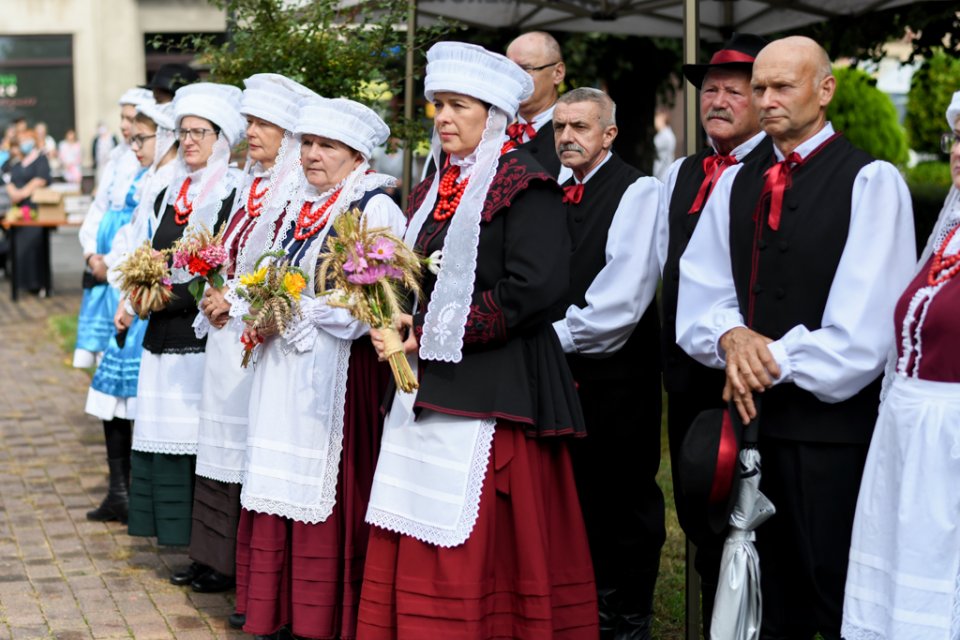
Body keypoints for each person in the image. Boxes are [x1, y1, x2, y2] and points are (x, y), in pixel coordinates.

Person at [675, 36, 916, 639]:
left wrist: (766, 358)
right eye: (760, 87)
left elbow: (864, 331)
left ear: (824, 90)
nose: (767, 98)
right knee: (759, 595)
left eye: (782, 86)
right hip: (749, 429)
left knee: (831, 592)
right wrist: (730, 336)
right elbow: (700, 292)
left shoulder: (871, 181)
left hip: (832, 438)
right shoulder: (735, 182)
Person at [358, 41, 598, 640]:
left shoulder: (525, 183)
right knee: (413, 509)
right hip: (424, 382)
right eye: (437, 104)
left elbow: (537, 287)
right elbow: (409, 273)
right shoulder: (429, 190)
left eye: (457, 105)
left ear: (491, 115)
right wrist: (388, 310)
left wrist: (438, 328)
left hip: (496, 381)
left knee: (476, 529)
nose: (442, 117)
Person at [234, 94, 402, 640]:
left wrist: (296, 308)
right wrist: (262, 302)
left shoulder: (374, 207)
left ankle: (322, 616)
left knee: (324, 491)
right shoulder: (298, 204)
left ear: (356, 156)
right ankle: (278, 609)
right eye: (306, 143)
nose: (310, 155)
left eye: (326, 145)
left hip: (339, 374)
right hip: (284, 370)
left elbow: (375, 302)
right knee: (277, 483)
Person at [181, 73, 313, 612]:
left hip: (256, 332)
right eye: (250, 121)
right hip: (225, 329)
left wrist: (230, 298)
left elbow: (275, 265)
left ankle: (241, 567)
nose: (251, 132)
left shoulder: (291, 186)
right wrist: (209, 287)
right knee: (219, 449)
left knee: (246, 453)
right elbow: (228, 249)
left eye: (264, 124)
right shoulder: (248, 180)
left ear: (289, 133)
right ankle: (214, 556)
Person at [658, 32, 771, 636]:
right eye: (710, 90)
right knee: (700, 507)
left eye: (735, 90)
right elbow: (664, 266)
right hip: (688, 375)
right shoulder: (680, 172)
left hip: (751, 376)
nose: (718, 100)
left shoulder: (775, 169)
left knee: (748, 514)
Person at [842, 91, 960, 640]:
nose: (959, 151)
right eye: (957, 137)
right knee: (900, 575)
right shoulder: (947, 236)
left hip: (950, 440)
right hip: (908, 435)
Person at [550, 86, 664, 640]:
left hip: (618, 378)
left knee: (623, 498)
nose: (567, 137)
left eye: (580, 127)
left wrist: (543, 339)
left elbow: (618, 307)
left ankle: (627, 618)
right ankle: (579, 608)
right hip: (561, 375)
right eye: (559, 128)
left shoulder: (638, 191)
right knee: (572, 495)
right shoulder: (553, 191)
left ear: (609, 134)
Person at [127, 83, 245, 573]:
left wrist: (161, 296)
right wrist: (137, 289)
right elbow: (149, 253)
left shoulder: (231, 191)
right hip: (161, 336)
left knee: (202, 447)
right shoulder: (167, 190)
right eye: (184, 131)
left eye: (200, 132)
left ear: (222, 138)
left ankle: (212, 556)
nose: (190, 140)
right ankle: (189, 547)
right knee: (167, 441)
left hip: (200, 339)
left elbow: (221, 266)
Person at [84, 101, 178, 524]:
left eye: (141, 137)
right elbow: (128, 233)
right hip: (130, 294)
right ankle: (121, 491)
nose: (133, 143)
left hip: (145, 302)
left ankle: (139, 495)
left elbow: (152, 246)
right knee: (116, 401)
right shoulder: (154, 176)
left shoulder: (170, 180)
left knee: (139, 403)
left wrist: (125, 284)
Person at [75, 88, 154, 368]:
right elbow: (100, 206)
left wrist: (110, 262)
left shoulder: (149, 163)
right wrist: (91, 252)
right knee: (101, 343)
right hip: (103, 251)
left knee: (122, 333)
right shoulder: (116, 157)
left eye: (131, 118)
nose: (124, 125)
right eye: (122, 117)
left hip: (124, 259)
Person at [505, 31, 569, 180]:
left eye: (526, 69)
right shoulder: (495, 133)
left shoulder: (574, 136)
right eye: (510, 70)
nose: (515, 79)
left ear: (558, 73)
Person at [6, 128, 51, 294]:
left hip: (36, 211)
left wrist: (22, 193)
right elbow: (9, 181)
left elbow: (40, 180)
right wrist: (14, 194)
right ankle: (22, 282)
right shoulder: (17, 163)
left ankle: (39, 284)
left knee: (36, 248)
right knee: (19, 249)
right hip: (18, 212)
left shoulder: (40, 159)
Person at [652, 107, 676, 183]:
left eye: (656, 117)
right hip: (663, 176)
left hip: (662, 177)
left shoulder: (664, 136)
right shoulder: (667, 134)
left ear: (662, 117)